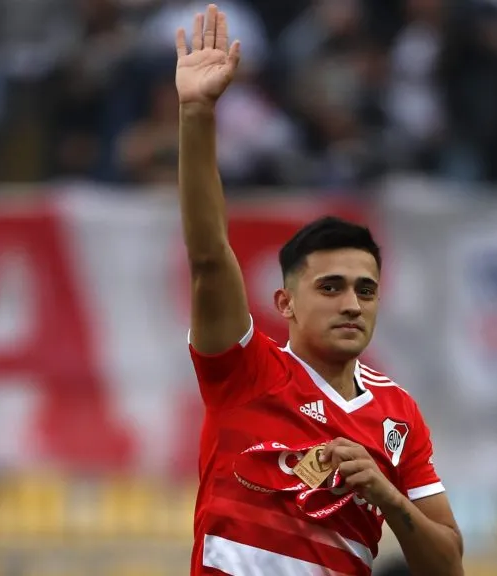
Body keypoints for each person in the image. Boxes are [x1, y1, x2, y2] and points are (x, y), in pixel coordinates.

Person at [174, 5, 464, 575]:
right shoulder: (245, 372)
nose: (352, 304)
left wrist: (386, 495)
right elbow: (208, 257)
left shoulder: (397, 415)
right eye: (330, 287)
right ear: (284, 303)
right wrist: (197, 114)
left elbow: (448, 566)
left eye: (366, 290)